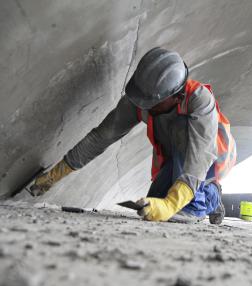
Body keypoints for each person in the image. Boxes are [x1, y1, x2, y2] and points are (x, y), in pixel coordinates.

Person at [31, 47, 236, 224]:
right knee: (153, 202)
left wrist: (172, 204)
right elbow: (101, 137)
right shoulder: (141, 99)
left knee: (181, 208)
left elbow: (200, 156)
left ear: (176, 95)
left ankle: (212, 197)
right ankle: (191, 197)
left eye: (151, 101)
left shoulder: (199, 101)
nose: (143, 104)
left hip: (211, 158)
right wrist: (56, 173)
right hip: (176, 159)